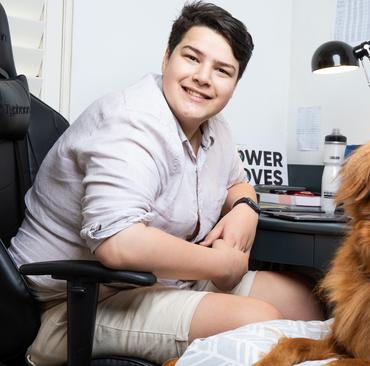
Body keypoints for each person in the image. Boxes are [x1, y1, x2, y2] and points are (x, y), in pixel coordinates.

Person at [8, 2, 323, 364]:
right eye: (192, 58)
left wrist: (245, 209)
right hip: (75, 303)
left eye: (222, 70)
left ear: (234, 85)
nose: (204, 77)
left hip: (162, 282)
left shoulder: (214, 128)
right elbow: (118, 242)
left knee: (306, 301)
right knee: (260, 324)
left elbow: (238, 183)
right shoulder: (130, 121)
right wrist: (220, 265)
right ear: (166, 59)